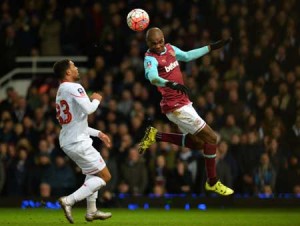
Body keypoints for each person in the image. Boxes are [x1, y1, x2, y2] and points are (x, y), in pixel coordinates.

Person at [139, 27, 234, 196]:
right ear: (148, 44)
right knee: (212, 138)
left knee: (198, 143)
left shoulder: (170, 48)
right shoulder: (150, 59)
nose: (159, 45)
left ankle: (156, 136)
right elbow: (152, 77)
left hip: (184, 103)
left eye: (160, 41)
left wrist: (211, 47)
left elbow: (188, 55)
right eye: (154, 43)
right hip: (175, 107)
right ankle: (212, 181)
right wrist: (169, 83)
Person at [54, 59, 112, 223]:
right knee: (105, 176)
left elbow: (76, 123)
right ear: (67, 72)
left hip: (69, 139)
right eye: (73, 66)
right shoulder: (74, 87)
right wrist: (97, 99)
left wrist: (98, 133)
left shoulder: (61, 91)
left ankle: (91, 211)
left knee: (92, 173)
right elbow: (89, 109)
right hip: (78, 142)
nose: (76, 68)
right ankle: (69, 200)